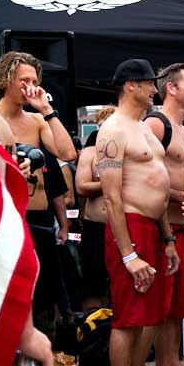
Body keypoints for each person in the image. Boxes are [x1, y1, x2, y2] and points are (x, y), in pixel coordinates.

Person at [97, 58, 180, 366]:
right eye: (149, 83)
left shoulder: (144, 128)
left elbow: (157, 183)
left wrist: (168, 238)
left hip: (152, 227)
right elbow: (112, 197)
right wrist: (129, 254)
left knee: (148, 316)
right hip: (128, 226)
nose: (154, 90)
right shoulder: (113, 130)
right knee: (128, 317)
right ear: (130, 85)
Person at [0, 51, 75, 340]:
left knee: (44, 298)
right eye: (24, 81)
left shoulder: (37, 121)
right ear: (7, 80)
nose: (31, 87)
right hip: (8, 218)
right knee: (12, 296)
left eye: (35, 81)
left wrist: (47, 110)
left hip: (40, 217)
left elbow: (68, 153)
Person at [147, 62, 184, 366]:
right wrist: (180, 195)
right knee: (156, 307)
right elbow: (141, 177)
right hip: (159, 227)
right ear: (171, 88)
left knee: (177, 309)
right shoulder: (156, 124)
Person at [75, 105, 116, 312]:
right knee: (93, 285)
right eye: (101, 127)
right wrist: (112, 182)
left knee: (121, 284)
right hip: (95, 228)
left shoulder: (129, 153)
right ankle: (94, 326)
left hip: (122, 227)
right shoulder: (90, 153)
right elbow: (81, 187)